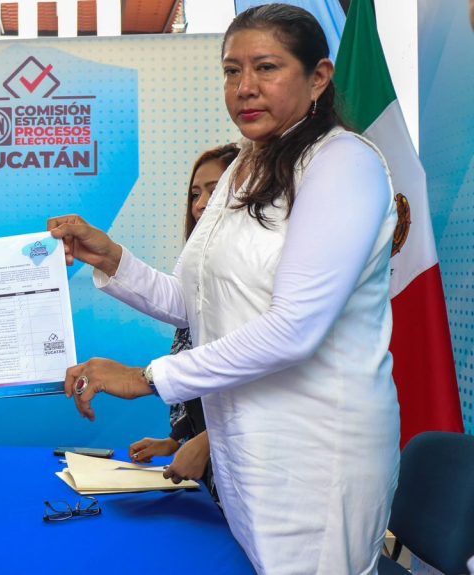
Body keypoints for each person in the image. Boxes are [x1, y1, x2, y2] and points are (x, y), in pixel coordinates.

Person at [49, 5, 399, 573]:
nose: (244, 87)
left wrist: (147, 378)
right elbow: (198, 303)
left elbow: (294, 329)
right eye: (232, 71)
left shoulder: (343, 163)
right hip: (244, 446)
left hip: (316, 452)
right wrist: (111, 257)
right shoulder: (243, 167)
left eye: (267, 67)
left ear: (318, 77)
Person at [127, 144, 238, 501]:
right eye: (195, 194)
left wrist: (208, 443)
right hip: (219, 472)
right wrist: (177, 440)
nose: (201, 204)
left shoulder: (253, 278)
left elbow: (260, 380)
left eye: (215, 190)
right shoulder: (202, 276)